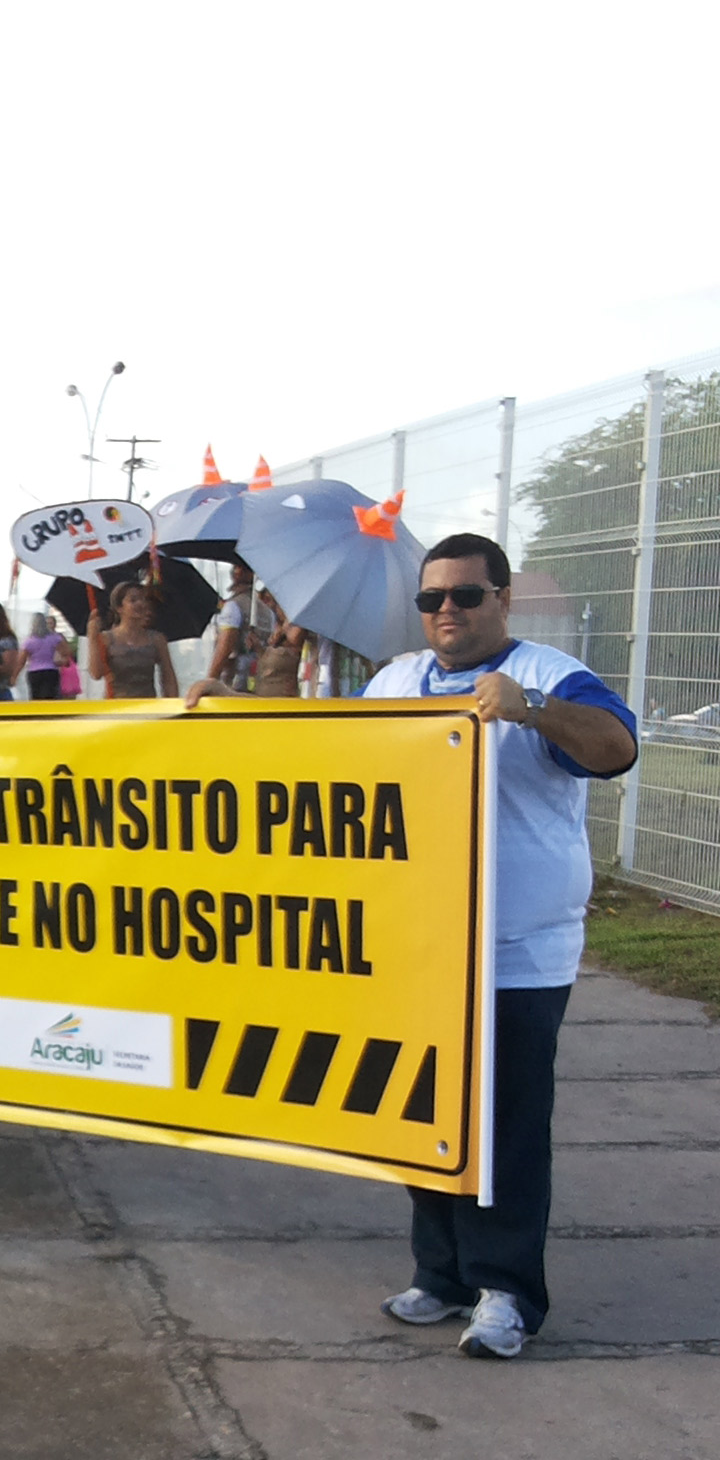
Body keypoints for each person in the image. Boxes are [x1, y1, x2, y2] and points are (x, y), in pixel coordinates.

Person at [188, 532, 635, 1359]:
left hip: (516, 951)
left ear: (502, 599)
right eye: (434, 599)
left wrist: (530, 712)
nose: (448, 612)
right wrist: (236, 709)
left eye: (466, 595)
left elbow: (617, 748)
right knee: (416, 1109)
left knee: (503, 1123)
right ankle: (443, 1274)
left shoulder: (542, 676)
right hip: (415, 947)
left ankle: (507, 1292)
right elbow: (329, 756)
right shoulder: (398, 682)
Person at [87, 580, 179, 699]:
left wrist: (173, 706)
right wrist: (93, 638)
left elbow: (168, 678)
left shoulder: (157, 639)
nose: (140, 604)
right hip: (115, 708)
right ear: (119, 608)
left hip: (148, 708)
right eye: (133, 600)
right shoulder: (107, 638)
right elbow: (96, 674)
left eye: (143, 599)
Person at [21, 614, 65, 701]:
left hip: (34, 671)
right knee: (50, 697)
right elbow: (66, 653)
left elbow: (21, 660)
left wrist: (14, 676)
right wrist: (61, 661)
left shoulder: (29, 641)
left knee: (35, 697)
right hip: (51, 670)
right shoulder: (54, 638)